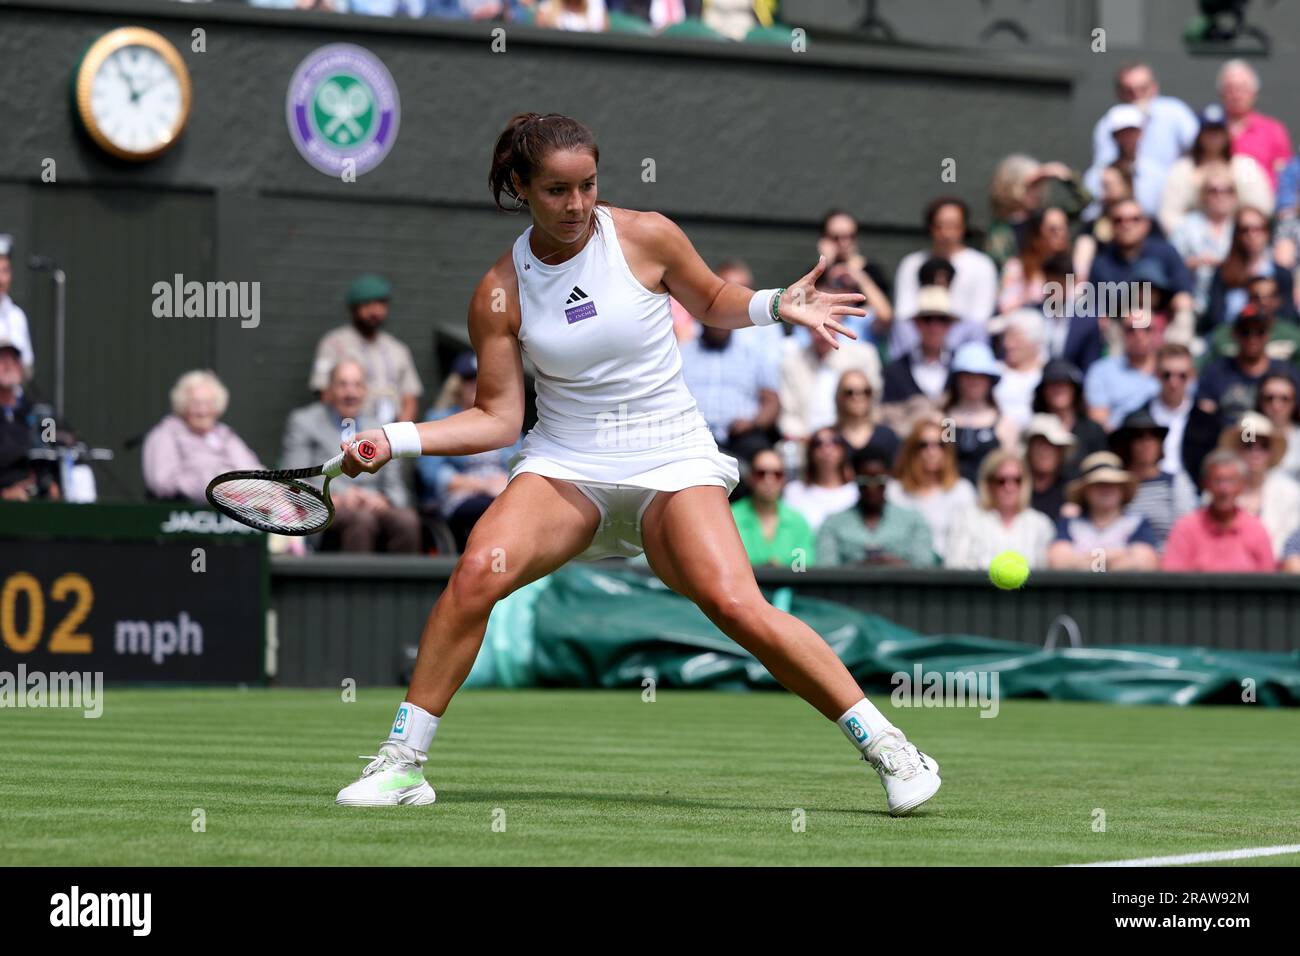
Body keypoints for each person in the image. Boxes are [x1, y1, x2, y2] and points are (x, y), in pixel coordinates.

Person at [332, 113, 940, 813]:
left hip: (671, 456)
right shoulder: (500, 290)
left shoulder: (645, 234)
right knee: (475, 574)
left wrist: (777, 304)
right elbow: (498, 418)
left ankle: (889, 745)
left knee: (733, 602)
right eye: (557, 191)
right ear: (520, 188)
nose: (577, 205)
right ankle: (404, 764)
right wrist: (397, 438)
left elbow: (712, 301)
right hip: (567, 465)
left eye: (588, 185)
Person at [283, 359, 421, 554]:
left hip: (374, 503)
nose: (351, 393)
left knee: (407, 521)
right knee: (360, 520)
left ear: (365, 391)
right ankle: (355, 585)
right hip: (328, 506)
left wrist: (384, 499)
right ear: (329, 390)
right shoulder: (305, 422)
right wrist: (335, 496)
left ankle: (402, 584)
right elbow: (294, 480)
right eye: (343, 384)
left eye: (357, 385)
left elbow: (396, 487)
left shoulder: (380, 426)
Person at [415, 351, 523, 553]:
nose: (478, 385)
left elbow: (524, 462)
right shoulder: (439, 418)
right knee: (492, 509)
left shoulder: (506, 420)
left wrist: (507, 482)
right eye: (471, 381)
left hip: (502, 492)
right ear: (459, 386)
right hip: (460, 497)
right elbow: (431, 474)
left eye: (483, 379)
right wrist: (481, 485)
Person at [308, 274, 424, 424]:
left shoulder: (398, 348)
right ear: (354, 308)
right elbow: (324, 393)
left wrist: (399, 433)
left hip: (391, 431)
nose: (375, 311)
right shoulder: (334, 343)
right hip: (352, 428)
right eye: (367, 304)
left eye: (381, 304)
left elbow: (410, 397)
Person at [891, 197, 997, 356]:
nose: (947, 233)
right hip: (918, 343)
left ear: (963, 227)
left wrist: (945, 341)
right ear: (931, 228)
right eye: (940, 226)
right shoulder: (911, 264)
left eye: (954, 226)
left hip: (965, 345)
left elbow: (980, 317)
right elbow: (904, 314)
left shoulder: (982, 265)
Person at [141, 370, 261, 503]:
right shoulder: (164, 435)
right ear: (183, 405)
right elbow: (161, 483)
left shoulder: (225, 435)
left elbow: (254, 471)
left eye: (209, 403)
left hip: (237, 510)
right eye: (195, 403)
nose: (202, 411)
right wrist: (214, 483)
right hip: (188, 514)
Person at [1086, 198, 1196, 343]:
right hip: (1122, 330)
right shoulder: (1101, 263)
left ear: (1146, 224)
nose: (1126, 225)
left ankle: (1177, 354)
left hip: (1164, 326)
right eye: (1119, 220)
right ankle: (1118, 363)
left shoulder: (1166, 252)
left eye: (1134, 219)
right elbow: (1094, 308)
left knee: (1184, 308)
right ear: (1111, 226)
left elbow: (1184, 294)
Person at [1159, 105, 1273, 238]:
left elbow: (1261, 207)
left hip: (1239, 240)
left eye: (1218, 131)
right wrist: (1190, 238)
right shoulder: (1182, 169)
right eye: (1209, 131)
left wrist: (1237, 235)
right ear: (1199, 135)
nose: (1214, 136)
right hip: (1194, 243)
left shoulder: (1245, 167)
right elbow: (1169, 213)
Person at [679, 319, 779, 462]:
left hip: (742, 436)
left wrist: (753, 424)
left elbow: (772, 402)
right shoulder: (683, 353)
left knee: (761, 456)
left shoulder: (752, 352)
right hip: (694, 435)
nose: (720, 327)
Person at [817, 447, 933, 568]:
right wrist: (864, 567)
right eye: (864, 481)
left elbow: (925, 568)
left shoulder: (914, 521)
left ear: (888, 477)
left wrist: (891, 565)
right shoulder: (833, 524)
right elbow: (826, 571)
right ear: (854, 478)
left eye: (879, 480)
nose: (872, 487)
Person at [1163, 450, 1276, 572]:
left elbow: (1269, 578)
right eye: (1217, 481)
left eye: (1230, 481)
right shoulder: (1185, 527)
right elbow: (1173, 575)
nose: (1224, 489)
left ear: (1241, 485)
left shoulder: (1256, 529)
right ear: (1205, 484)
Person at [1089, 62, 1199, 187]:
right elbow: (1104, 167)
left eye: (1143, 89)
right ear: (1119, 93)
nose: (1137, 95)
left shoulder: (1175, 112)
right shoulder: (1108, 123)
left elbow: (1198, 149)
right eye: (1129, 91)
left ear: (1154, 87)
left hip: (1172, 191)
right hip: (1128, 194)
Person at [1047, 451, 1159, 570]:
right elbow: (1058, 561)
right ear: (1086, 491)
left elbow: (1146, 562)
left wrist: (1086, 560)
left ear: (1122, 489)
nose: (1106, 489)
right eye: (1098, 484)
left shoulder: (1137, 522)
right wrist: (1119, 556)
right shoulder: (1070, 523)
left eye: (1112, 484)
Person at [944, 450, 1055, 570]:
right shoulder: (966, 518)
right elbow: (954, 567)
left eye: (1017, 480)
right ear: (988, 483)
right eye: (1001, 481)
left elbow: (1044, 572)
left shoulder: (1040, 523)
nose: (1009, 487)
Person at [886, 416, 976, 562]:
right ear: (912, 450)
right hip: (906, 571)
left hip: (951, 572)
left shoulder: (962, 491)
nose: (932, 451)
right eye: (924, 445)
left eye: (940, 444)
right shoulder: (894, 491)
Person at [777, 316, 882, 441]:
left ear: (840, 326)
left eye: (829, 327)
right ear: (807, 329)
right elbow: (788, 414)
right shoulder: (792, 363)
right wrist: (806, 439)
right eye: (816, 328)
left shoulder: (863, 356)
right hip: (808, 441)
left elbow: (874, 403)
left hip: (855, 438)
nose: (823, 334)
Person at [1196, 304, 1300, 427]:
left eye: (1259, 332)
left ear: (1268, 335)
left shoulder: (1286, 372)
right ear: (1234, 334)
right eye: (1245, 332)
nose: (1252, 338)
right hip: (1227, 440)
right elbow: (1204, 416)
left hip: (1275, 440)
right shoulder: (1216, 371)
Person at [1108, 409, 1197, 549]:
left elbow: (1188, 530)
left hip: (1167, 560)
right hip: (1120, 559)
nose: (1147, 443)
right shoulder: (1113, 483)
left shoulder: (1175, 482)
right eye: (1139, 437)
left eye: (1153, 436)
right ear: (1125, 444)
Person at [985, 155, 1090, 270]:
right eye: (1030, 186)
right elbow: (1001, 266)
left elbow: (1085, 201)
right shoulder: (1000, 231)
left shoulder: (1047, 218)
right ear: (1012, 187)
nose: (1037, 192)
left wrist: (1065, 177)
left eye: (1040, 185)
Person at [1218, 411, 1300, 559]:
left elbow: (1287, 544)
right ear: (1238, 449)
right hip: (1227, 573)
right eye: (1248, 444)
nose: (1256, 451)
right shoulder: (1219, 490)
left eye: (1263, 445)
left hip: (1274, 575)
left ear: (1271, 452)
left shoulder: (1291, 493)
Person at [1202, 206, 1295, 329]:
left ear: (1267, 233)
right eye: (1245, 230)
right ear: (1237, 234)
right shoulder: (1223, 273)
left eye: (1258, 229)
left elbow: (1288, 315)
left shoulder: (1281, 274)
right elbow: (1215, 316)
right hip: (1232, 336)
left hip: (1271, 336)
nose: (1251, 235)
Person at [940, 341, 1017, 483]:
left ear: (990, 380)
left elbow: (1008, 469)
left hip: (989, 498)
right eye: (967, 375)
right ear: (957, 379)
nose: (973, 382)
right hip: (952, 494)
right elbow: (945, 459)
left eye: (980, 376)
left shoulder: (1002, 423)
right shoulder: (947, 420)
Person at [731, 447, 817, 569]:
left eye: (777, 474)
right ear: (750, 478)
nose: (769, 480)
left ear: (784, 480)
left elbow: (802, 568)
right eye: (761, 474)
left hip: (789, 588)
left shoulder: (798, 521)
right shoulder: (730, 517)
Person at [1169, 167, 1240, 315]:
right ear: (1203, 195)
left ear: (1234, 196)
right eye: (1213, 191)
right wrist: (1193, 263)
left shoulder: (1244, 226)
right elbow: (1171, 264)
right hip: (1195, 295)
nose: (1220, 196)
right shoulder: (1186, 226)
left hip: (1231, 296)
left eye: (1227, 190)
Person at [1216, 59, 1293, 190]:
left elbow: (1285, 176)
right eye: (1230, 89)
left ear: (1254, 93)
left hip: (1262, 204)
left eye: (1242, 88)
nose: (1236, 95)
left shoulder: (1273, 131)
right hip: (1217, 201)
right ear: (1221, 93)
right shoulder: (1209, 130)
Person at [1084, 104, 1166, 218]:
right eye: (1122, 133)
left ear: (1140, 133)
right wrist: (1106, 202)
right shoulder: (1096, 175)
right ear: (1113, 136)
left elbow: (1161, 213)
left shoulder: (1157, 174)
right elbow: (1088, 215)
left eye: (1132, 131)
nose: (1128, 138)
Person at [1084, 308, 1160, 430]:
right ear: (1121, 333)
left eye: (1146, 329)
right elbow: (1099, 422)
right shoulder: (1101, 371)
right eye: (1131, 330)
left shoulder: (1172, 372)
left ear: (1157, 333)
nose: (1139, 335)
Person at [881, 286, 957, 405]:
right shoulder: (895, 370)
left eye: (942, 319)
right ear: (916, 323)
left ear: (950, 325)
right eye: (927, 319)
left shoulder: (962, 368)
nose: (934, 327)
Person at [0, 336, 53, 501]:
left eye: (14, 359)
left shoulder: (41, 414)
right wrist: (5, 495)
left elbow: (51, 448)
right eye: (2, 359)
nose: (8, 364)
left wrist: (52, 485)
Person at [781, 426, 858, 532]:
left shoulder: (856, 492)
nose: (827, 448)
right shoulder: (794, 491)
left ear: (843, 450)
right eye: (818, 443)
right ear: (810, 452)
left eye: (834, 441)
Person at [997, 207, 1072, 315]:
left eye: (1064, 228)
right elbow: (1005, 307)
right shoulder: (1017, 267)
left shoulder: (1074, 266)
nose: (1062, 234)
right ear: (1038, 233)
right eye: (1053, 229)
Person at [1035, 358, 1107, 468]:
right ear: (1043, 391)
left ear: (1075, 389)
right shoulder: (1035, 429)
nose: (1058, 389)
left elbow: (1102, 466)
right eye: (1052, 383)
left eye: (1064, 384)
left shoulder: (1092, 430)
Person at [1038, 253, 1103, 374]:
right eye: (1050, 282)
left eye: (1059, 283)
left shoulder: (1087, 322)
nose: (1053, 289)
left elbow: (1090, 367)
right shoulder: (1034, 314)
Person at [1144, 342, 1196, 477]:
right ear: (1156, 374)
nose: (1174, 383)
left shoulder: (1207, 423)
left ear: (1192, 376)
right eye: (1167, 375)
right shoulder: (1137, 418)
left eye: (1182, 375)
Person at [991, 308, 1045, 429]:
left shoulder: (1047, 375)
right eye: (1005, 338)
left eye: (1015, 338)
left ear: (1034, 342)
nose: (1007, 344)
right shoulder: (993, 371)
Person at [832, 369, 899, 465]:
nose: (858, 397)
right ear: (839, 396)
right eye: (850, 392)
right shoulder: (827, 440)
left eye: (866, 392)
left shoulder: (888, 437)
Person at [1022, 413, 1076, 521]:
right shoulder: (1011, 485)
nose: (1045, 452)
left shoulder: (1071, 491)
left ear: (1061, 452)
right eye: (1040, 445)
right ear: (1029, 450)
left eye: (1052, 446)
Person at [1254, 372, 1300, 480]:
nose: (1276, 405)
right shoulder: (1245, 436)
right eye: (1269, 398)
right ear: (1260, 401)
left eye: (1284, 399)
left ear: (1295, 402)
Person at [0, 236, 33, 377]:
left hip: (12, 397)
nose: (1, 279)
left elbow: (28, 367)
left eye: (5, 271)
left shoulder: (17, 316)